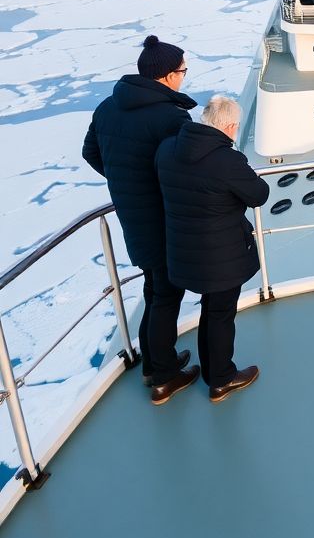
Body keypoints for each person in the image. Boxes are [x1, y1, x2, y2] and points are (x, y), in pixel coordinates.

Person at [82, 34, 199, 405]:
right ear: (166, 77)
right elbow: (187, 169)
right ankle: (164, 377)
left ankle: (154, 362)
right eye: (182, 71)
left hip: (133, 217)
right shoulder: (170, 117)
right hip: (163, 218)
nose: (184, 77)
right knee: (166, 294)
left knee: (154, 290)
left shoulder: (106, 108)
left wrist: (125, 183)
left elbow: (90, 153)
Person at [156, 95, 269, 403]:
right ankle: (220, 378)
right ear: (230, 126)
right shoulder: (227, 160)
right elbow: (258, 194)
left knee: (209, 309)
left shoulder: (167, 150)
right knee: (219, 315)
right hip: (221, 254)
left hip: (182, 249)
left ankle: (180, 374)